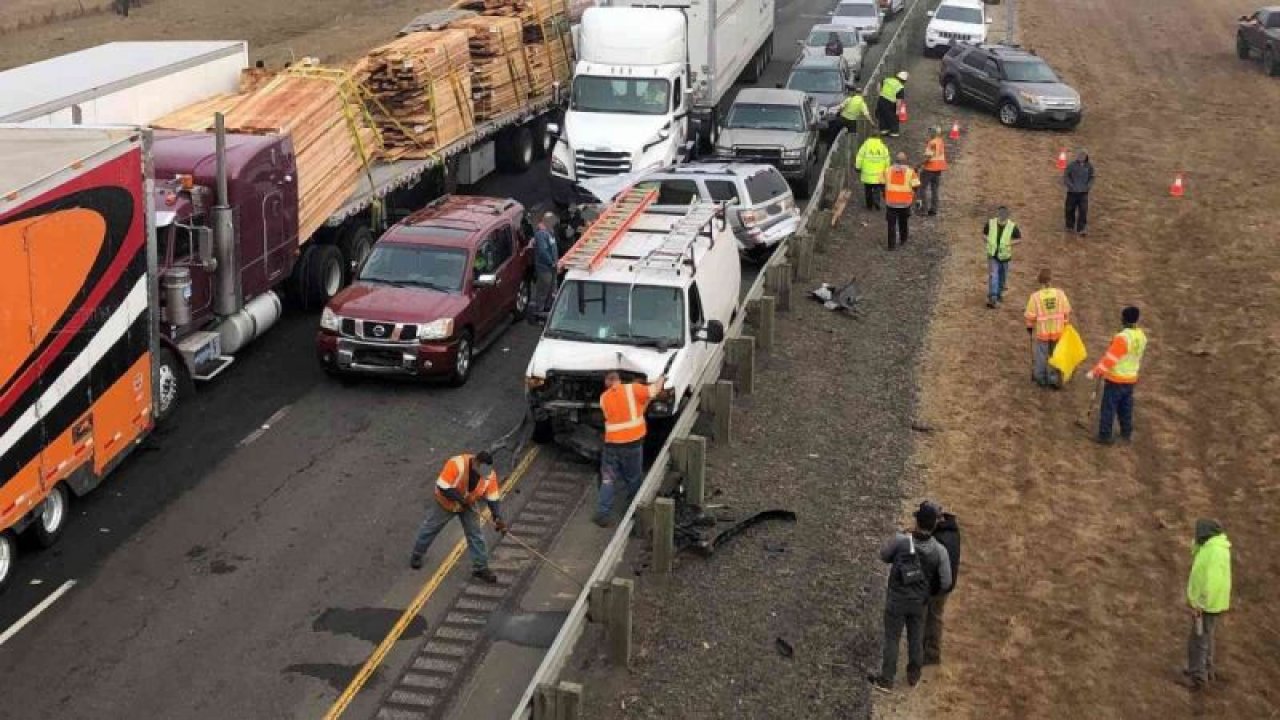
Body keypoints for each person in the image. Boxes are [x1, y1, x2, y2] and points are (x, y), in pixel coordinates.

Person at [868, 503, 952, 692]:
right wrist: (929, 593)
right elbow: (946, 582)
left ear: (917, 521)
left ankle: (886, 680)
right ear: (934, 525)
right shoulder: (940, 551)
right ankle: (913, 675)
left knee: (892, 639)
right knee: (916, 637)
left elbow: (884, 555)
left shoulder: (901, 541)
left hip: (896, 600)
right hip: (919, 602)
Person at [410, 451, 508, 583]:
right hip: (447, 503)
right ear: (475, 463)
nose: (485, 475)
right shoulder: (456, 464)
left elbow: (493, 497)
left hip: (468, 505)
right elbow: (443, 485)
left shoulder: (489, 475)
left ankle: (480, 567)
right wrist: (461, 500)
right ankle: (417, 554)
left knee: (475, 534)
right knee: (431, 528)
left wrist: (497, 517)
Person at [593, 371, 666, 527]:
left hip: (611, 446)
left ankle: (602, 514)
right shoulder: (633, 389)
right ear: (620, 380)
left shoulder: (603, 398)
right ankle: (633, 512)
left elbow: (620, 413)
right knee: (633, 479)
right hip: (632, 445)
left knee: (608, 479)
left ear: (607, 383)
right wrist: (662, 377)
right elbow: (654, 390)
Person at [1181, 519, 1231, 691]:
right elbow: (1196, 553)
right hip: (1209, 603)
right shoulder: (1211, 547)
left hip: (1206, 605)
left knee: (1199, 639)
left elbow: (1212, 582)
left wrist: (1200, 604)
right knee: (1205, 636)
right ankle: (1205, 670)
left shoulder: (1214, 552)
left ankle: (1198, 677)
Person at [1086, 306, 1147, 444]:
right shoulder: (1141, 336)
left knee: (1109, 407)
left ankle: (1104, 435)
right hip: (1131, 378)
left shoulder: (1122, 338)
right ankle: (1126, 433)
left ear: (1123, 319)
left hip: (1116, 379)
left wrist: (1095, 372)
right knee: (1125, 407)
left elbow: (1110, 359)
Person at [919, 501, 960, 666]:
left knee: (921, 618)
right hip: (947, 584)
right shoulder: (953, 531)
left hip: (935, 586)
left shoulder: (938, 541)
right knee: (936, 617)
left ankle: (920, 656)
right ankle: (932, 654)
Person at [1024, 268, 1072, 388]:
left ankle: (1040, 378)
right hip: (1058, 331)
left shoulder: (1035, 297)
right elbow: (1066, 311)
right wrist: (1065, 324)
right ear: (1051, 280)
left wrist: (1029, 327)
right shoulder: (1060, 294)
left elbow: (1030, 315)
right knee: (1055, 355)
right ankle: (1053, 379)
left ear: (1039, 282)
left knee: (1041, 356)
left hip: (1043, 332)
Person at [983, 206, 1021, 308]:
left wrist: (1009, 243)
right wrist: (989, 241)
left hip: (1004, 256)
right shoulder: (991, 223)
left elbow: (1018, 239)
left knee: (1002, 276)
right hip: (993, 255)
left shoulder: (1012, 226)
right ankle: (993, 297)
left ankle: (998, 294)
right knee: (993, 275)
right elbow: (984, 234)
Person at [882, 152, 919, 251]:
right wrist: (913, 195)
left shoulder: (887, 171)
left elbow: (881, 183)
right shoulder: (910, 172)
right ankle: (903, 239)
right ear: (905, 160)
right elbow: (916, 185)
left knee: (891, 224)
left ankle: (891, 246)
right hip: (905, 203)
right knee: (903, 222)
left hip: (891, 203)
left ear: (895, 160)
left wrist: (884, 194)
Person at [531, 212, 559, 321]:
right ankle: (539, 311)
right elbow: (543, 251)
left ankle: (547, 308)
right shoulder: (541, 234)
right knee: (544, 288)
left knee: (551, 288)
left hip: (551, 267)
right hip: (545, 268)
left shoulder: (549, 232)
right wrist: (551, 262)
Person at [855, 134, 891, 210]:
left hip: (867, 173)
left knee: (867, 189)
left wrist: (858, 167)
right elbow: (887, 159)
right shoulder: (883, 146)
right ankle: (877, 202)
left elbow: (859, 157)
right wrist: (887, 170)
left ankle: (869, 205)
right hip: (879, 174)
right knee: (877, 189)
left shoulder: (865, 145)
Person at [1063, 150, 1094, 235]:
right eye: (1079, 155)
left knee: (1083, 210)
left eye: (1083, 156)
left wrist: (1088, 186)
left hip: (1083, 193)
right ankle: (1069, 226)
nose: (1081, 157)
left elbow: (1092, 177)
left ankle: (1081, 228)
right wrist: (1070, 185)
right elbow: (1066, 176)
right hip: (1072, 192)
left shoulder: (1089, 166)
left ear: (1086, 157)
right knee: (1069, 209)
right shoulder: (1071, 165)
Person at [920, 126, 948, 216]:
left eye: (930, 131)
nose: (929, 133)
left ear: (934, 133)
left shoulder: (932, 143)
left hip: (929, 168)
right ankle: (934, 209)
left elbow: (928, 157)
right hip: (938, 169)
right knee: (935, 189)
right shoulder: (940, 141)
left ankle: (924, 210)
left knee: (922, 188)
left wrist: (918, 165)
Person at [876, 71, 908, 137]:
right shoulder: (900, 87)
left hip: (881, 100)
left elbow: (879, 83)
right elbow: (899, 101)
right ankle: (894, 132)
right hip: (890, 103)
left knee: (882, 115)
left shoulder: (888, 80)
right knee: (893, 117)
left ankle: (884, 131)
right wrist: (897, 111)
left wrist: (879, 93)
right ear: (904, 80)